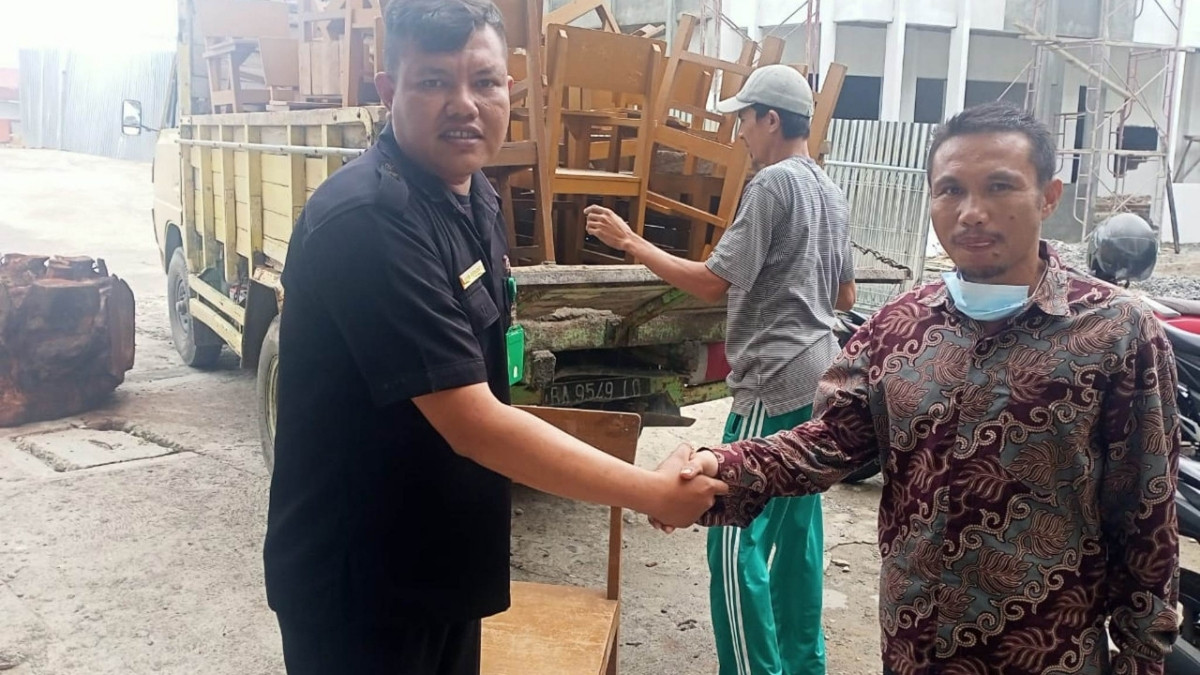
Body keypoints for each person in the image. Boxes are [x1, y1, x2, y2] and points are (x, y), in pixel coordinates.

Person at [261, 2, 727, 673]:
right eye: (433, 81)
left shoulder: (471, 193)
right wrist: (650, 490)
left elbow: (482, 377)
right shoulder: (368, 222)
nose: (464, 104)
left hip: (440, 565)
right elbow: (473, 422)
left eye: (483, 82)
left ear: (509, 88)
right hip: (360, 588)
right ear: (389, 90)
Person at [673, 102, 1182, 674]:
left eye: (999, 187)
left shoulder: (1116, 332)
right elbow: (829, 442)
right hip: (914, 651)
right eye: (951, 190)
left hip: (1045, 656)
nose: (972, 212)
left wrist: (1142, 660)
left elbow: (1145, 517)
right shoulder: (899, 327)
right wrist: (720, 466)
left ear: (1049, 197)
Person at [585, 64, 856, 675]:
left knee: (734, 541)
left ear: (771, 119)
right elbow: (845, 295)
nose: (740, 134)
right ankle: (802, 667)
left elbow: (712, 283)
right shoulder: (830, 190)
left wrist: (631, 242)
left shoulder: (772, 184)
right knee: (798, 535)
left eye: (744, 120)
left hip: (773, 378)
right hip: (819, 372)